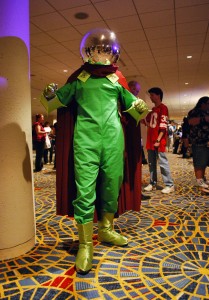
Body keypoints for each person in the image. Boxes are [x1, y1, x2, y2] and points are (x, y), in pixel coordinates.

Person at [40, 28, 149, 274]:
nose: (101, 54)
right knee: (85, 190)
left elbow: (134, 110)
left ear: (112, 53)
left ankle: (107, 229)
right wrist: (49, 94)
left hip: (112, 140)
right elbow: (54, 102)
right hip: (85, 141)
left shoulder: (116, 79)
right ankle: (85, 244)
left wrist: (139, 105)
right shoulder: (80, 79)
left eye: (105, 51)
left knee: (112, 183)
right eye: (96, 50)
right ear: (88, 52)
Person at [144, 87, 174, 194]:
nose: (151, 97)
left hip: (158, 141)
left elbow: (163, 126)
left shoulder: (163, 108)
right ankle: (153, 183)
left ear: (158, 95)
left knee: (162, 163)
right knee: (151, 163)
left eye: (152, 95)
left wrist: (158, 139)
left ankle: (169, 184)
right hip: (150, 141)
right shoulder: (152, 110)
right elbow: (146, 121)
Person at [127, 80, 150, 200]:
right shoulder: (124, 99)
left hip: (134, 137)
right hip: (127, 138)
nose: (136, 93)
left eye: (137, 91)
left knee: (136, 165)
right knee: (130, 166)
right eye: (134, 90)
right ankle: (132, 193)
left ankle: (136, 192)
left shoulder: (134, 101)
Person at [187, 96, 209, 192]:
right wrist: (205, 119)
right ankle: (201, 184)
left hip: (206, 141)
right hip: (198, 140)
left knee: (204, 163)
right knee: (199, 163)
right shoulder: (194, 112)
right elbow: (191, 122)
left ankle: (202, 181)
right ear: (202, 103)